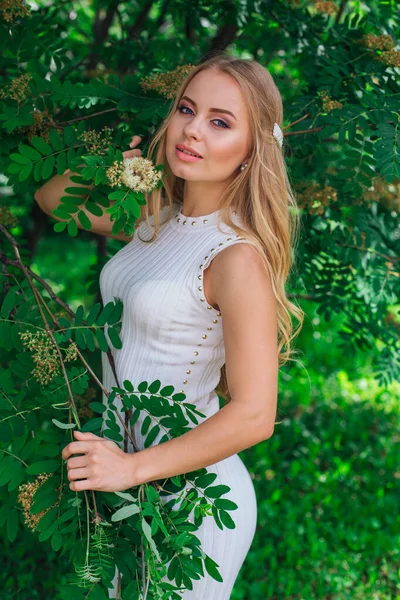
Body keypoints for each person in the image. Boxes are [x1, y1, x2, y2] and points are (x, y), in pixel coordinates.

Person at [35, 53, 303, 599]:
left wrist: (132, 469)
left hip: (193, 499)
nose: (193, 130)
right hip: (127, 484)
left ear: (254, 151)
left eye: (220, 122)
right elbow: (51, 200)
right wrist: (109, 165)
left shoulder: (235, 258)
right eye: (187, 109)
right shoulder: (156, 217)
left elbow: (255, 415)